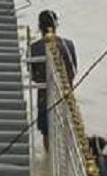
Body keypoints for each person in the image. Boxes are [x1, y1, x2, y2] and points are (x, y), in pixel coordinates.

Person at [28, 10, 77, 151]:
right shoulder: (68, 45)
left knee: (46, 133)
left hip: (44, 97)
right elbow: (73, 71)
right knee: (68, 131)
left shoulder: (33, 48)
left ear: (39, 26)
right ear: (56, 25)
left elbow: (33, 77)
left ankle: (48, 158)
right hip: (66, 95)